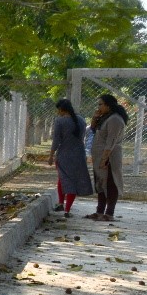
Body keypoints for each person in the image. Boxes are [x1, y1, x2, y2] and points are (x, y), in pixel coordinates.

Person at [48, 98, 92, 217]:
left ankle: (61, 203)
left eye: (58, 110)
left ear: (62, 109)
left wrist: (51, 155)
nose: (58, 112)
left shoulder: (60, 121)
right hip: (79, 155)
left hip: (64, 155)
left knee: (63, 179)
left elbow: (56, 141)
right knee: (74, 181)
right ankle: (67, 209)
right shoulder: (81, 120)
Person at [87, 93, 127, 222]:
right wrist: (94, 118)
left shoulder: (115, 119)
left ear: (108, 106)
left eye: (100, 104)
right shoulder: (105, 117)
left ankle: (109, 213)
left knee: (110, 183)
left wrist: (105, 159)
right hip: (99, 156)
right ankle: (99, 211)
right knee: (100, 183)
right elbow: (93, 130)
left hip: (110, 157)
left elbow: (111, 141)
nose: (98, 107)